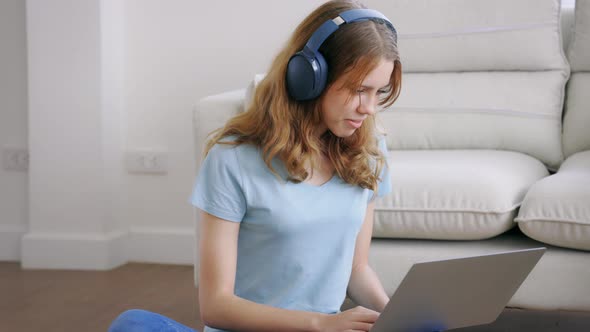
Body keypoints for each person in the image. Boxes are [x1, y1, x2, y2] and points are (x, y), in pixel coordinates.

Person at [108, 0, 401, 331]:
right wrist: (321, 324)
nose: (370, 109)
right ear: (309, 76)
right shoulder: (231, 158)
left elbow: (357, 269)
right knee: (132, 324)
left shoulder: (370, 150)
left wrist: (399, 316)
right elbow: (216, 305)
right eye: (360, 90)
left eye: (379, 92)